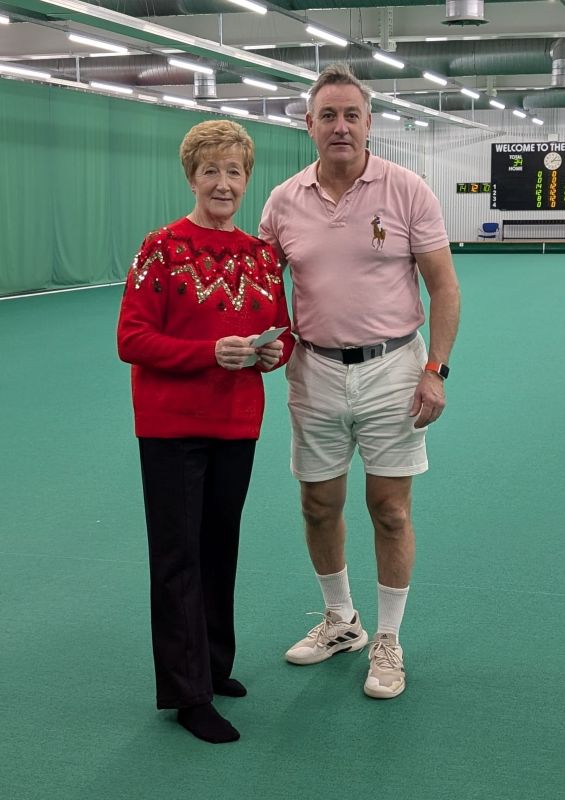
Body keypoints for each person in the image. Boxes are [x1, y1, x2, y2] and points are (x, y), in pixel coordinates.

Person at [259, 64, 460, 699]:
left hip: (394, 369)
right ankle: (342, 622)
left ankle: (389, 639)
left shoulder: (407, 190)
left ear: (370, 123)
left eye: (352, 115)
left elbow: (444, 287)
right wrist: (261, 342)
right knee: (318, 505)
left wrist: (435, 370)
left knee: (390, 510)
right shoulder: (282, 201)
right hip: (314, 371)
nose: (340, 126)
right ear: (309, 125)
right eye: (328, 115)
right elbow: (262, 288)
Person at [117, 119, 294, 743]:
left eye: (234, 171)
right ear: (191, 177)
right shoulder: (161, 248)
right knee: (178, 555)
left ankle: (215, 664)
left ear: (247, 180)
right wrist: (208, 354)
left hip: (236, 424)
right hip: (171, 427)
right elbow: (131, 339)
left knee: (221, 545)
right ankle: (187, 693)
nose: (223, 183)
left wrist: (274, 353)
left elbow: (283, 328)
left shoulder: (261, 255)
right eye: (210, 171)